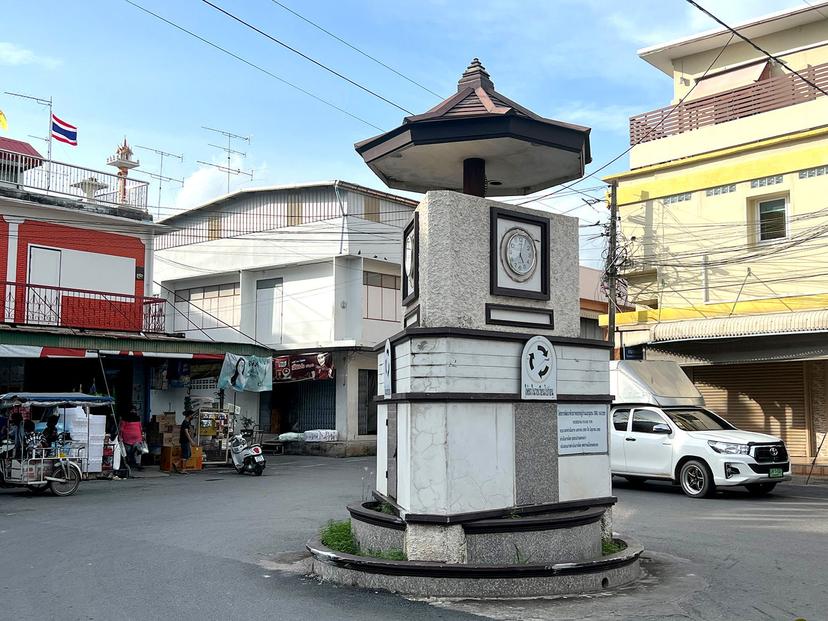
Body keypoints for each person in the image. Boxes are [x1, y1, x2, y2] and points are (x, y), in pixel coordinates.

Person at [119, 405, 144, 471]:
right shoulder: (138, 418)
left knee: (127, 452)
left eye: (134, 410)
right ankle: (138, 464)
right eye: (133, 410)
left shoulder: (124, 418)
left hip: (128, 439)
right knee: (138, 451)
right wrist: (142, 435)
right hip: (137, 438)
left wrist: (120, 437)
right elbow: (140, 428)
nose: (133, 411)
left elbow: (121, 429)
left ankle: (127, 464)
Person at [173, 410, 196, 474]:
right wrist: (191, 441)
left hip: (186, 441)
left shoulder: (187, 422)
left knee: (188, 455)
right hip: (185, 441)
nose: (192, 416)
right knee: (185, 455)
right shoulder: (185, 423)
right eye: (192, 415)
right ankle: (183, 469)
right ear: (189, 415)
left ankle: (177, 463)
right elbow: (186, 433)